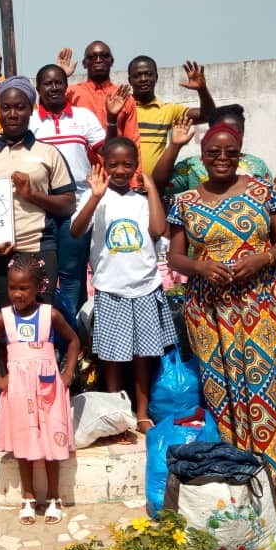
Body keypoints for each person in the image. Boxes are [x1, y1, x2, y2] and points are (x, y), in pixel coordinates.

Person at [167, 124, 276, 483]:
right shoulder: (184, 202)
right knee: (226, 389)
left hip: (264, 304)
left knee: (275, 381)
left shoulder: (265, 192)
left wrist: (259, 259)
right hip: (211, 310)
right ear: (202, 157)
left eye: (229, 152)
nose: (221, 158)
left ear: (240, 154)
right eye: (213, 152)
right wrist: (199, 266)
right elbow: (174, 257)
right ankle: (243, 470)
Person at [70, 139, 176, 432]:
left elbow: (157, 230)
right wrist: (94, 197)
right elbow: (77, 231)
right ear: (103, 164)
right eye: (113, 164)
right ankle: (117, 413)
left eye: (127, 164)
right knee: (113, 357)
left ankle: (141, 412)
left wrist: (152, 187)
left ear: (135, 166)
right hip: (110, 288)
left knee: (143, 355)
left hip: (144, 287)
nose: (120, 170)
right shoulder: (97, 199)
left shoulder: (141, 201)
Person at [0, 254, 80, 525]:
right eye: (13, 287)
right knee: (23, 445)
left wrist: (67, 373)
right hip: (19, 393)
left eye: (24, 288)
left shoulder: (51, 315)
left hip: (49, 390)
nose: (17, 293)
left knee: (52, 444)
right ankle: (28, 497)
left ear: (39, 288)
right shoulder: (4, 318)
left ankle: (54, 498)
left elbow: (73, 341)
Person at [0, 76, 76, 315]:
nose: (13, 114)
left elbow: (68, 204)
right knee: (2, 320)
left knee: (41, 319)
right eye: (6, 108)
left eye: (20, 107)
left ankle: (44, 355)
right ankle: (5, 355)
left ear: (31, 110)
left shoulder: (48, 153)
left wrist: (31, 194)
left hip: (39, 247)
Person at [29, 64, 107, 313]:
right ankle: (56, 335)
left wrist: (114, 119)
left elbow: (107, 151)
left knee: (72, 272)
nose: (53, 87)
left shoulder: (83, 117)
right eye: (47, 83)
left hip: (79, 202)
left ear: (66, 86)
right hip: (41, 205)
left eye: (58, 82)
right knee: (45, 276)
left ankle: (74, 335)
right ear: (39, 88)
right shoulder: (30, 121)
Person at [154, 105, 273, 197]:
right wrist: (174, 146)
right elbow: (158, 185)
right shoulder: (192, 166)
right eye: (221, 130)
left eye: (235, 131)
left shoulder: (257, 165)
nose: (228, 135)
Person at [128, 56, 215, 178]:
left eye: (148, 74)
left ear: (156, 77)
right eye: (137, 75)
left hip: (156, 188)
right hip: (125, 188)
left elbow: (208, 115)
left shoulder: (168, 110)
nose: (143, 79)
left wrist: (202, 90)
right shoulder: (123, 108)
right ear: (130, 80)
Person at [57, 41, 136, 142]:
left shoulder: (124, 97)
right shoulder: (70, 93)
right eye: (92, 57)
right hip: (81, 157)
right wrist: (61, 74)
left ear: (111, 61)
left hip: (114, 156)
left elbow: (132, 141)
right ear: (84, 64)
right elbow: (47, 113)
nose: (98, 60)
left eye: (104, 56)